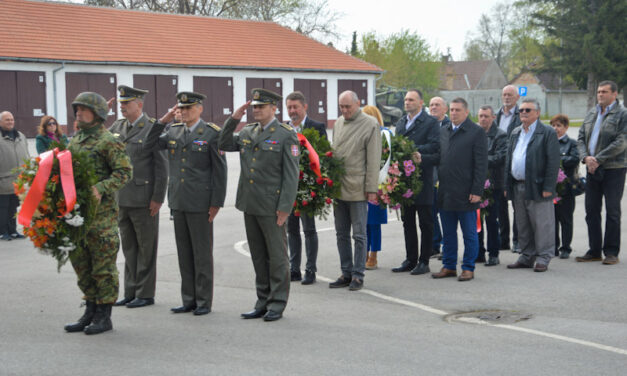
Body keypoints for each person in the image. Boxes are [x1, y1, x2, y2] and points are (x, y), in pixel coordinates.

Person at [219, 88, 299, 322]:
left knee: (276, 256)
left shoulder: (285, 135)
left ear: (274, 108)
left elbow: (291, 175)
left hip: (272, 205)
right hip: (250, 203)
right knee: (258, 256)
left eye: (261, 106)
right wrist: (234, 118)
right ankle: (262, 300)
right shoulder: (248, 132)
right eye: (254, 107)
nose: (256, 110)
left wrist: (285, 207)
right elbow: (223, 142)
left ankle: (277, 303)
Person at [63, 92, 132, 335]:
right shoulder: (76, 139)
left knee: (103, 268)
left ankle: (104, 316)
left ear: (98, 114)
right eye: (77, 109)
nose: (79, 113)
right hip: (78, 217)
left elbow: (124, 172)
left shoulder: (108, 140)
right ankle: (90, 311)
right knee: (82, 265)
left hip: (101, 219)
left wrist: (100, 188)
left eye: (84, 110)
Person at [154, 92, 227, 316]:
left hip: (201, 202)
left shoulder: (212, 134)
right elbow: (149, 143)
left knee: (202, 254)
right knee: (184, 253)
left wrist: (216, 203)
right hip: (179, 200)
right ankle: (188, 299)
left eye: (189, 108)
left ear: (200, 109)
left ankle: (204, 300)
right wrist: (164, 120)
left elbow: (220, 171)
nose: (184, 112)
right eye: (181, 108)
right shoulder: (173, 131)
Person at [109, 86, 168, 309]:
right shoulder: (117, 126)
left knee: (146, 248)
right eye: (121, 104)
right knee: (129, 248)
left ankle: (145, 293)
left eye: (127, 103)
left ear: (139, 105)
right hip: (121, 197)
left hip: (144, 199)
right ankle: (130, 290)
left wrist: (158, 197)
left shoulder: (152, 128)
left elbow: (161, 167)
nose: (122, 107)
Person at [328, 91, 381, 291]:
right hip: (338, 186)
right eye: (341, 106)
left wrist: (371, 189)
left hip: (358, 188)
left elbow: (374, 160)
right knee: (341, 233)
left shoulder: (370, 124)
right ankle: (346, 271)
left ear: (358, 103)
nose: (344, 110)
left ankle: (358, 275)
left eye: (348, 106)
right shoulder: (339, 123)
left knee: (359, 234)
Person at [432, 97, 487, 282]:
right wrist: (420, 157)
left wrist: (477, 190)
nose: (453, 113)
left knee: (469, 233)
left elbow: (481, 164)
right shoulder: (444, 131)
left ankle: (468, 268)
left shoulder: (476, 132)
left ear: (466, 112)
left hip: (466, 193)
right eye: (452, 110)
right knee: (448, 234)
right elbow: (439, 157)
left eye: (457, 110)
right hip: (446, 192)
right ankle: (448, 266)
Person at [505, 98, 560, 272]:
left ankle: (544, 257)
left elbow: (553, 162)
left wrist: (548, 187)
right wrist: (508, 186)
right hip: (518, 185)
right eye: (521, 110)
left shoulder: (547, 132)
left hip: (538, 186)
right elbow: (509, 160)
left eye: (528, 110)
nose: (523, 113)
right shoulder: (515, 132)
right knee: (522, 223)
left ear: (537, 113)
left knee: (542, 224)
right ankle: (527, 255)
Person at [576, 80, 626, 265]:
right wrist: (586, 158)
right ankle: (594, 250)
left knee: (612, 211)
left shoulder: (622, 114)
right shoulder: (592, 112)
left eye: (604, 92)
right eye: (598, 92)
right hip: (591, 168)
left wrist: (598, 159)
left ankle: (611, 252)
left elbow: (622, 142)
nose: (600, 95)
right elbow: (581, 138)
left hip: (614, 169)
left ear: (615, 94)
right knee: (591, 210)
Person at [392, 89, 440, 276]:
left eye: (411, 100)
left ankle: (424, 260)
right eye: (405, 100)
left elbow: (435, 147)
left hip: (422, 179)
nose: (407, 102)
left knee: (426, 222)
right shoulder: (402, 122)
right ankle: (410, 258)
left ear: (421, 103)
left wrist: (412, 149)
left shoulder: (430, 122)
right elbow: (397, 145)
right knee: (407, 222)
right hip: (404, 179)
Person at [285, 91, 327, 285]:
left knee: (309, 229)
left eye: (296, 107)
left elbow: (324, 154)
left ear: (305, 107)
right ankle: (294, 269)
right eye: (289, 107)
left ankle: (310, 269)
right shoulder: (283, 128)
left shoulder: (317, 127)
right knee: (291, 230)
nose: (292, 111)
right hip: (288, 188)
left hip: (308, 187)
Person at [476, 105, 507, 266]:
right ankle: (478, 252)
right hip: (476, 184)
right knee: (476, 220)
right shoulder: (475, 133)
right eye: (480, 116)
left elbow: (500, 157)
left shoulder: (500, 135)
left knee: (491, 221)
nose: (483, 119)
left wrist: (479, 162)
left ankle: (493, 253)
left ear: (493, 118)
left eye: (486, 116)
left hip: (493, 184)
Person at [362, 105, 390, 270]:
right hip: (361, 184)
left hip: (378, 184)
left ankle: (374, 254)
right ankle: (363, 252)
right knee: (362, 222)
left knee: (374, 223)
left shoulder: (384, 134)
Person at [496, 85, 522, 252]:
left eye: (510, 95)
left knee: (517, 206)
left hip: (513, 164)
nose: (507, 97)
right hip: (497, 167)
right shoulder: (496, 115)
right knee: (500, 207)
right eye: (504, 94)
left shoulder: (521, 115)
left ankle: (518, 241)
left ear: (517, 97)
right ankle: (503, 240)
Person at [550, 114, 579, 259]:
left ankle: (566, 247)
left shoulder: (572, 143)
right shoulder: (548, 142)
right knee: (552, 218)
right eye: (553, 126)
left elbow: (574, 159)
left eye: (559, 126)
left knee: (566, 218)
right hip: (550, 188)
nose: (556, 129)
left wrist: (556, 160)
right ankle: (553, 246)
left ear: (566, 127)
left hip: (566, 188)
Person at [0, 111, 30, 241]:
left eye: (11, 119)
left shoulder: (21, 136)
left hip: (19, 180)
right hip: (3, 179)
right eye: (7, 120)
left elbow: (27, 154)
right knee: (3, 208)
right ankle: (2, 231)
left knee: (14, 207)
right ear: (1, 122)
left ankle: (12, 230)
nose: (10, 122)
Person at [428, 97, 450, 259]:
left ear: (445, 109)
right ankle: (434, 244)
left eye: (437, 105)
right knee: (430, 213)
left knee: (446, 214)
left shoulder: (450, 127)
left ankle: (447, 247)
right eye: (431, 105)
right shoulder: (427, 126)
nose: (434, 108)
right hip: (430, 177)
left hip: (446, 178)